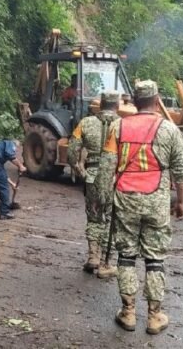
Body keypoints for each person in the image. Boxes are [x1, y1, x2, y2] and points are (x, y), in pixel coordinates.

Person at [97, 80, 183, 335]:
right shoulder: (170, 130)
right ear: (157, 100)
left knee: (126, 255)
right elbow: (181, 170)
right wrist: (180, 201)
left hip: (125, 199)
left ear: (134, 102)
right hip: (157, 201)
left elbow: (106, 167)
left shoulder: (117, 126)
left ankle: (127, 313)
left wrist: (104, 199)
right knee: (155, 258)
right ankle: (154, 316)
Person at [68, 92, 120, 279]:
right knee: (111, 220)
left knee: (94, 217)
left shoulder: (85, 123)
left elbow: (72, 152)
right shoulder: (124, 125)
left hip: (93, 178)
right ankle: (107, 261)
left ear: (101, 105)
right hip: (115, 179)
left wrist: (82, 172)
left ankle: (93, 257)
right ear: (118, 105)